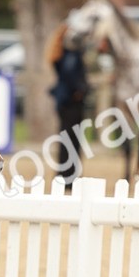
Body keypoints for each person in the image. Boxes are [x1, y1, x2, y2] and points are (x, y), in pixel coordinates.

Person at [46, 21, 89, 189]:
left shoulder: (60, 54)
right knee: (72, 140)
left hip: (64, 103)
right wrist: (81, 90)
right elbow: (73, 79)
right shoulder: (71, 56)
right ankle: (69, 176)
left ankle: (65, 174)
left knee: (66, 139)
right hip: (72, 103)